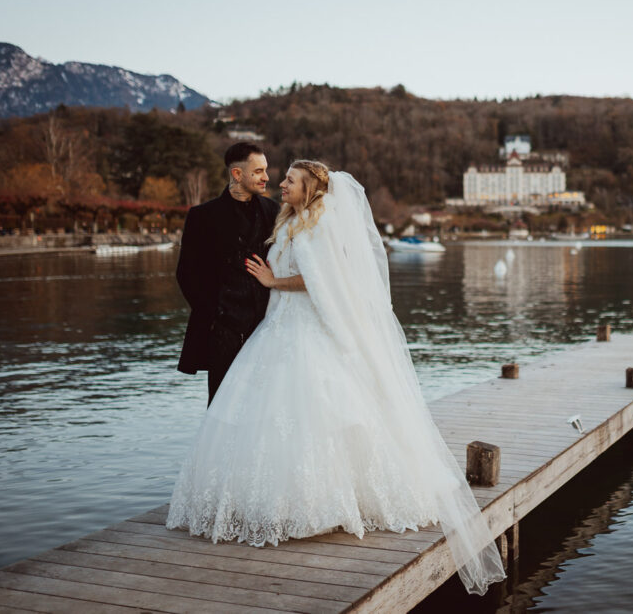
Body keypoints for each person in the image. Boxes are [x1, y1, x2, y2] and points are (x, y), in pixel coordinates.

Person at [166, 160, 506, 595]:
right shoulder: (287, 219)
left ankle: (322, 505)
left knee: (316, 415)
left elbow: (320, 279)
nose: (281, 184)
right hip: (277, 329)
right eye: (282, 177)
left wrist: (273, 281)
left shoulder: (318, 226)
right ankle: (270, 502)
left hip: (304, 328)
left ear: (308, 190)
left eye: (290, 180)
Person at [175, 142, 280, 405]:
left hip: (266, 328)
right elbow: (186, 274)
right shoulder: (202, 216)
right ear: (237, 174)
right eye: (258, 171)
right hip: (222, 331)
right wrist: (215, 315)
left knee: (264, 406)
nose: (266, 177)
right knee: (221, 406)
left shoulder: (274, 212)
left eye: (265, 170)